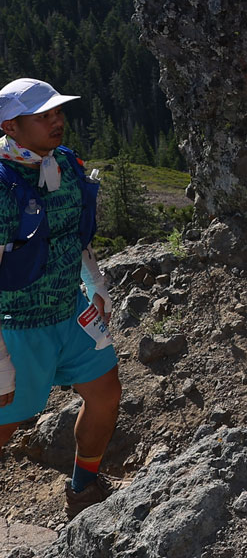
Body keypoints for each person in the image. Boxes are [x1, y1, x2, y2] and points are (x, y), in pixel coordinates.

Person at [0, 77, 121, 517]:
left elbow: (76, 233)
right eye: (45, 115)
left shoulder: (64, 165)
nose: (58, 121)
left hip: (71, 311)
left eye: (58, 112)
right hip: (15, 325)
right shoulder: (1, 183)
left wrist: (95, 284)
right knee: (6, 424)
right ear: (11, 126)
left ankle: (83, 486)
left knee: (106, 392)